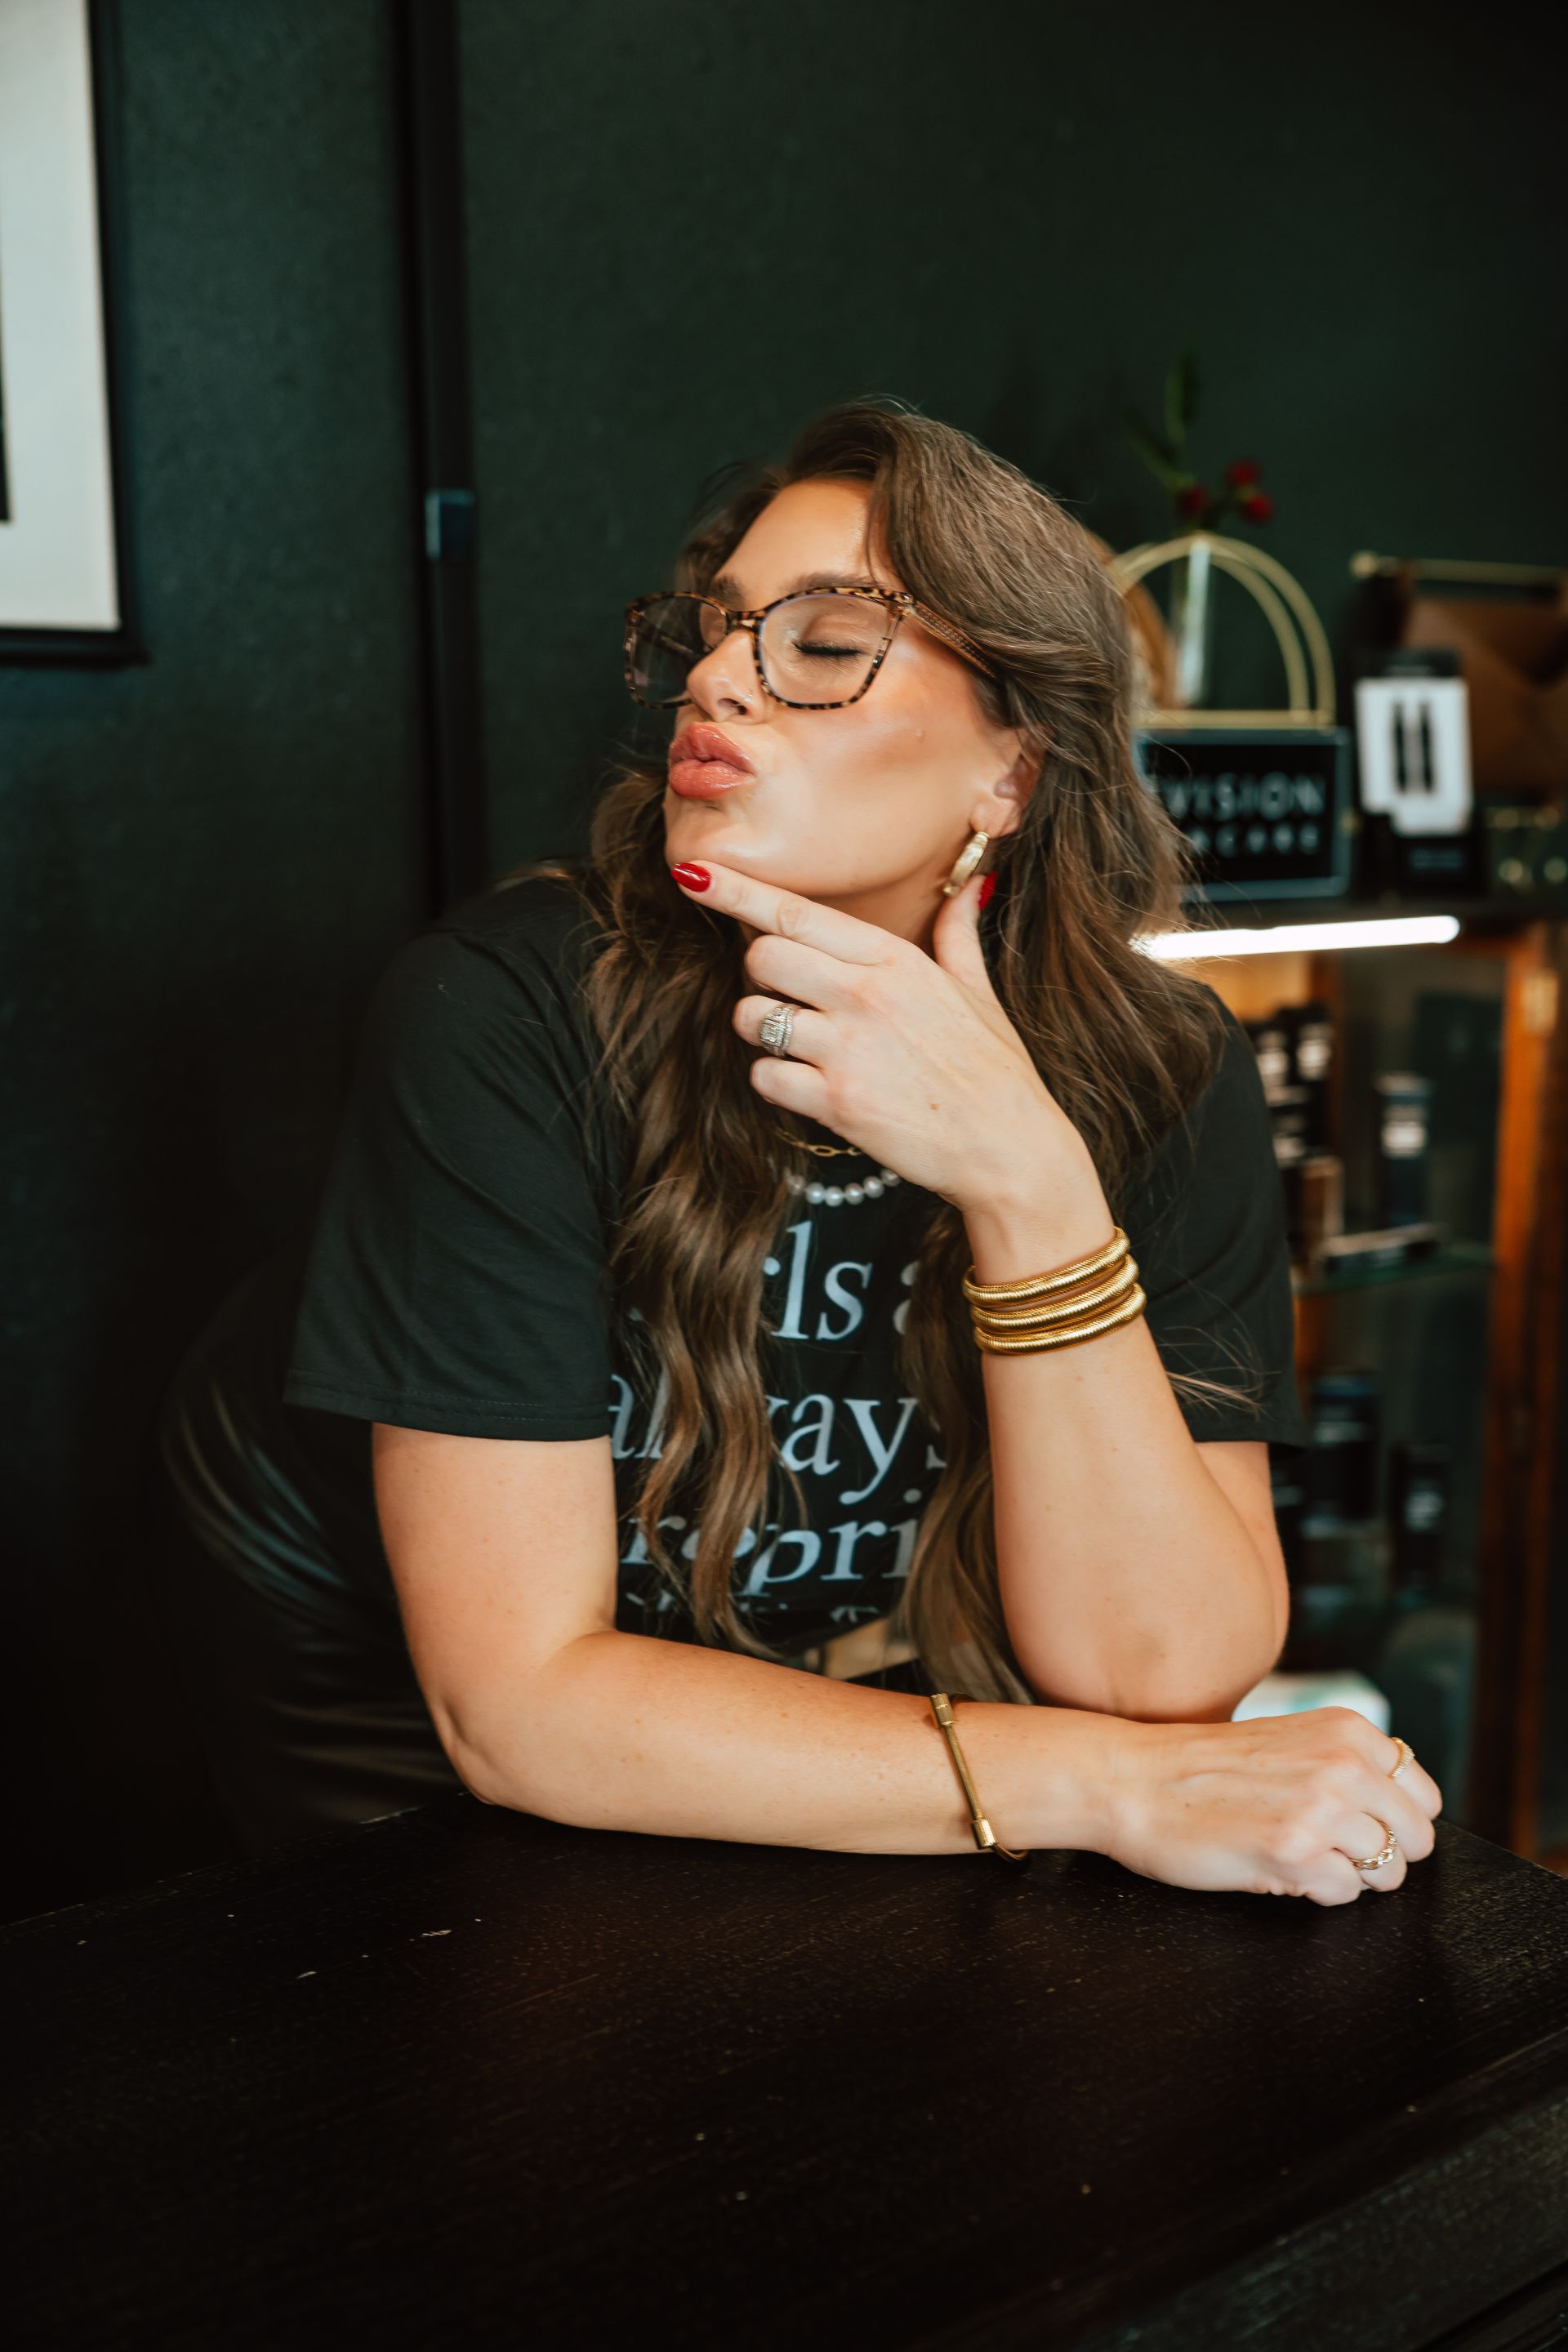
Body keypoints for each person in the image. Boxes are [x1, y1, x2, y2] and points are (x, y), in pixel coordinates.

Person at [148, 399, 1441, 1901]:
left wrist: (1028, 1182)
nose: (712, 675)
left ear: (1011, 772)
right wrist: (1103, 1785)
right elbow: (520, 1707)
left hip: (746, 1670)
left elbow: (1164, 1677)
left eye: (823, 644)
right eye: (716, 628)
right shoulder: (503, 1008)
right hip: (385, 1695)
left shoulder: (1161, 1067)